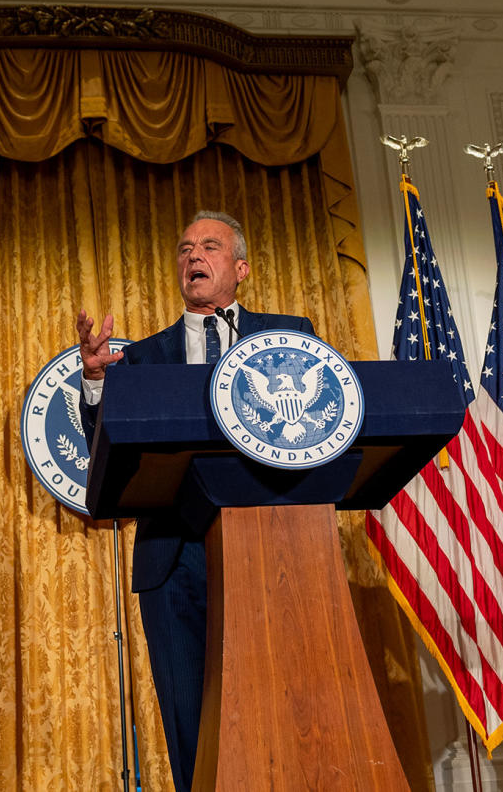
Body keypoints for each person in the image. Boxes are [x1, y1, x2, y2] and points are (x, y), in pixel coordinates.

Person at [75, 211, 314, 792]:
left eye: (209, 246)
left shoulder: (289, 337)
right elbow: (106, 448)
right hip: (173, 558)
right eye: (184, 249)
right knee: (191, 724)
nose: (193, 257)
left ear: (241, 268)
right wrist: (96, 382)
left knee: (281, 715)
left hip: (272, 550)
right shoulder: (143, 357)